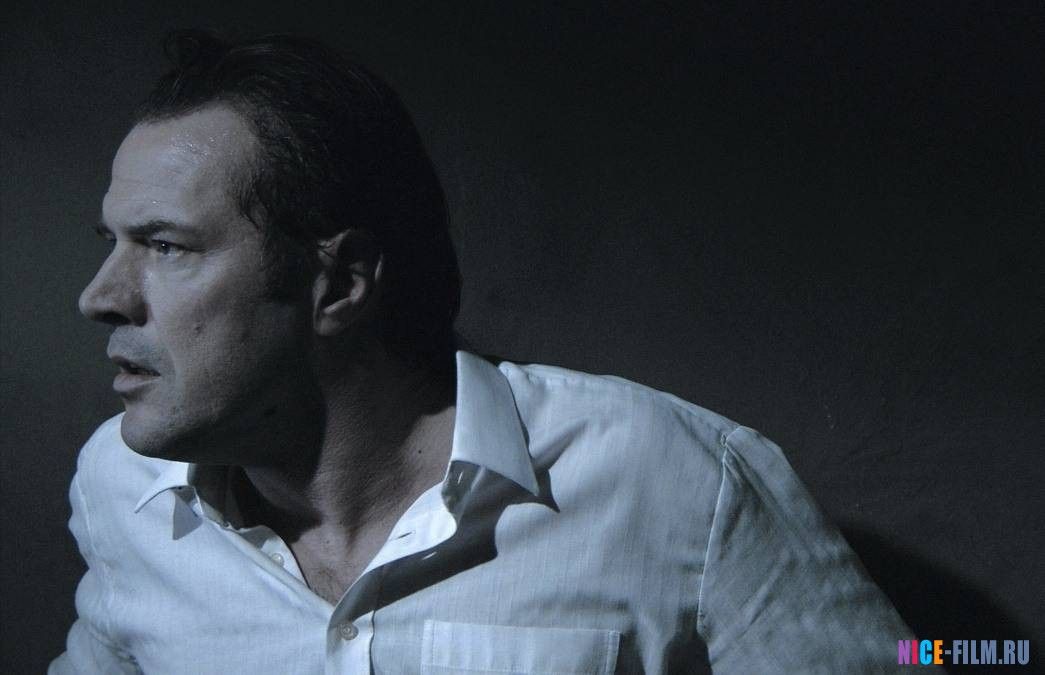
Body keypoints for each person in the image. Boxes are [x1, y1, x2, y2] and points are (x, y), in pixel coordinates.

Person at [51, 31, 916, 674]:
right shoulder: (121, 491)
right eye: (112, 243)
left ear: (339, 283)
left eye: (165, 246)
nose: (100, 296)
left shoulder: (677, 481)